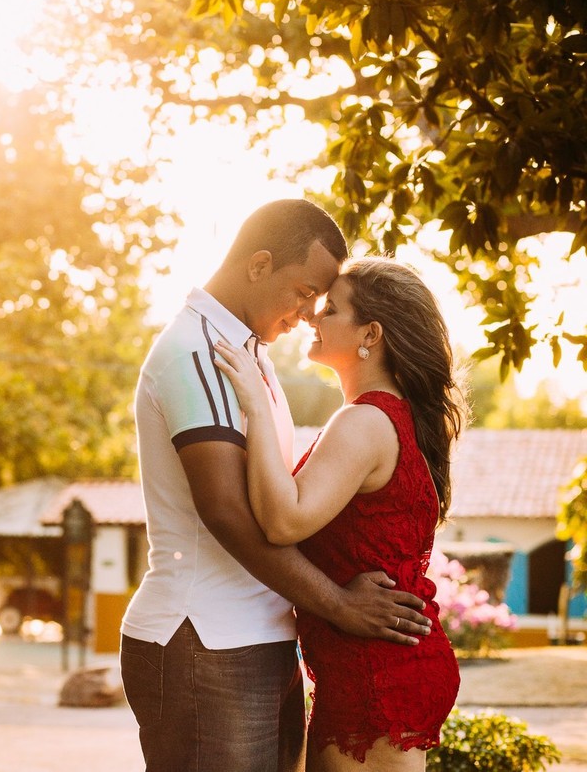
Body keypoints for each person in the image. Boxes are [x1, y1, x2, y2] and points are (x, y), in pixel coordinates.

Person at [120, 199, 431, 772]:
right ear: (259, 265)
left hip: (259, 635)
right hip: (205, 639)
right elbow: (227, 512)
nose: (309, 312)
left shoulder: (245, 353)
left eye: (321, 301)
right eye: (304, 291)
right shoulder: (197, 350)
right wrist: (337, 603)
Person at [213, 257, 464, 771]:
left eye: (330, 309)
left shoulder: (365, 420)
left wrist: (257, 408)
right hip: (384, 661)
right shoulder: (390, 416)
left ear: (370, 333)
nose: (311, 318)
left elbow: (284, 521)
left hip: (373, 673)